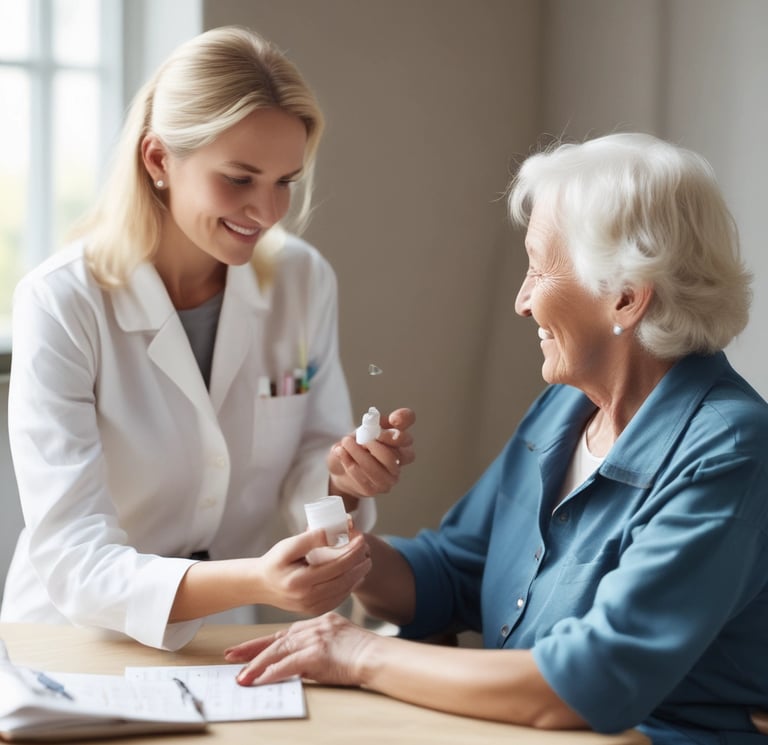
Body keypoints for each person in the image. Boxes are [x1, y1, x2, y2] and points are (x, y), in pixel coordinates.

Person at [225, 133, 768, 745]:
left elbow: (593, 680)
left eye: (539, 267)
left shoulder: (729, 449)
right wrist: (343, 539)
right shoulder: (564, 410)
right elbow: (453, 574)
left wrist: (358, 655)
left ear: (625, 297)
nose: (521, 300)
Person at [0, 26, 414, 651]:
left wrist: (343, 478)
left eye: (285, 181)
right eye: (240, 178)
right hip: (73, 644)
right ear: (159, 160)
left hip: (222, 645)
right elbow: (72, 558)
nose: (268, 211)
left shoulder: (302, 282)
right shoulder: (61, 302)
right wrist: (255, 581)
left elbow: (307, 460)